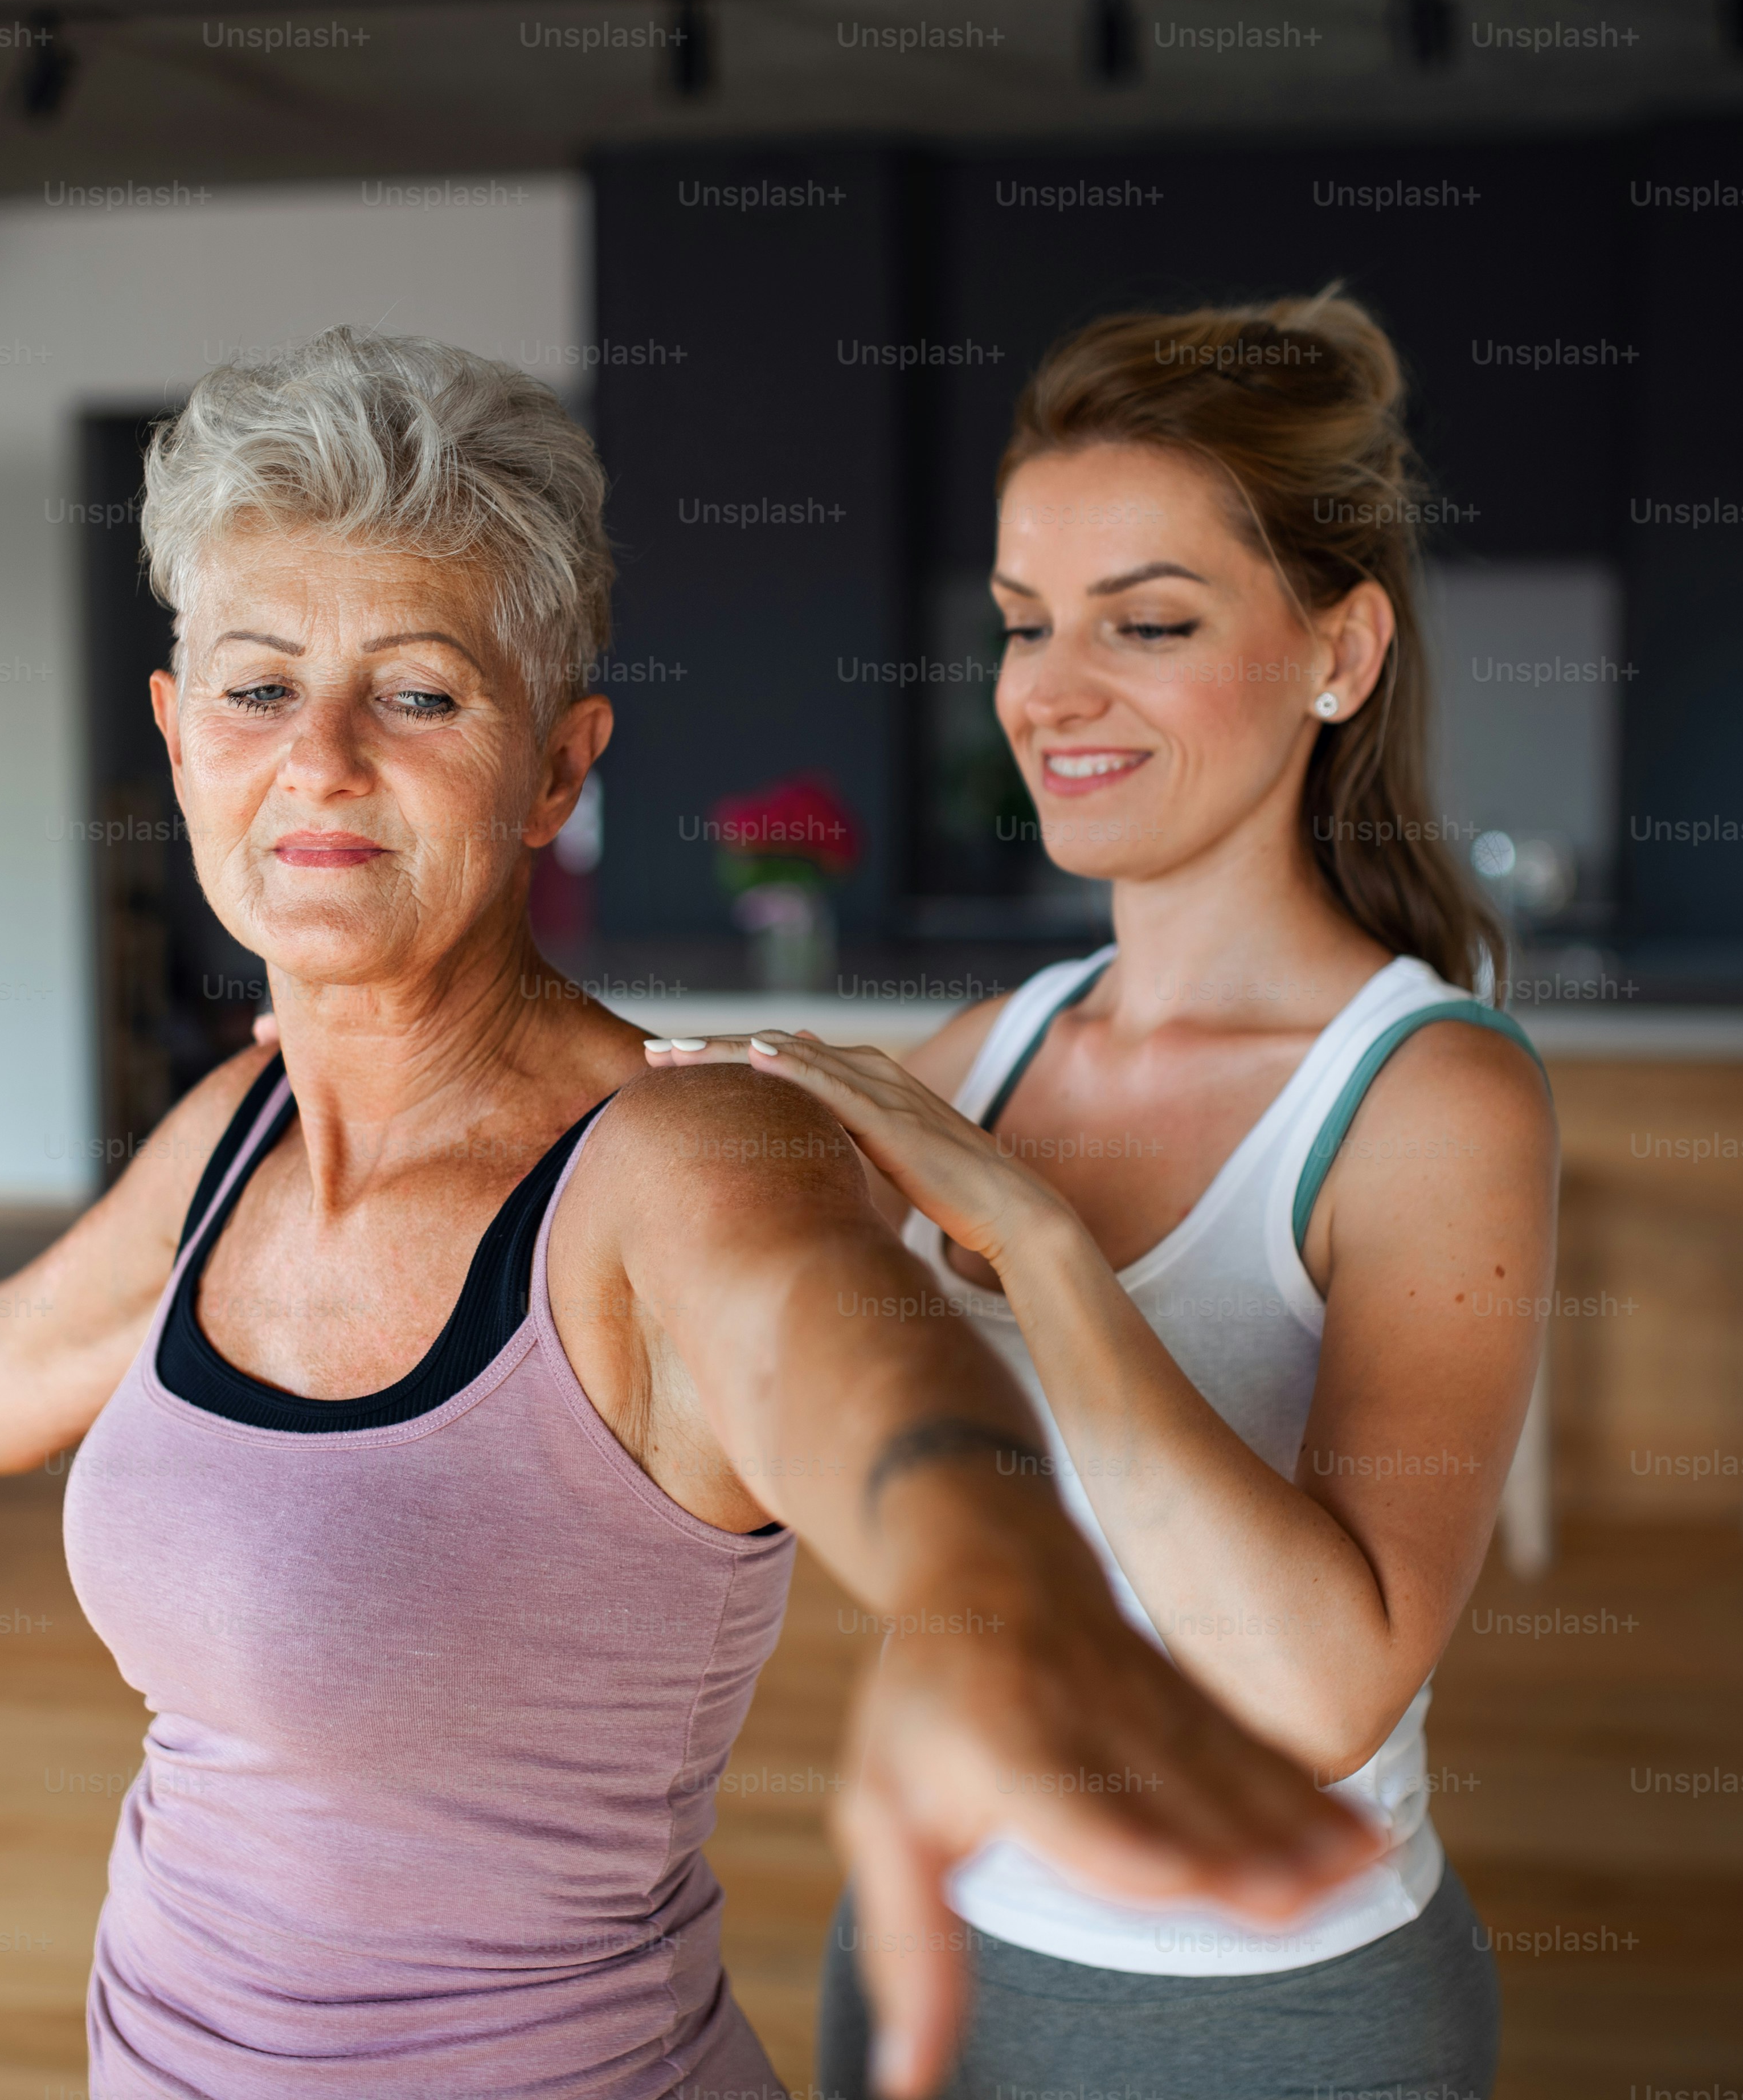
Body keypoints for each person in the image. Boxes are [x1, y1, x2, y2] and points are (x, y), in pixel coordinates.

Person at [0, 328, 1375, 2100]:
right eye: (256, 685)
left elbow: (846, 1361)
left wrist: (993, 1599)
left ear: (556, 768)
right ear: (175, 731)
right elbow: (3, 1357)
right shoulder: (236, 1129)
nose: (321, 760)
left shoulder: (677, 1156)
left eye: (420, 694)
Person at [656, 292, 1557, 2099]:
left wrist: (1042, 1246)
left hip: (1266, 2016)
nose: (1048, 692)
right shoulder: (997, 1043)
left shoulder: (1423, 1095)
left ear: (1338, 650)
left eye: (1145, 623)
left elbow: (1326, 1690)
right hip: (927, 1949)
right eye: (1019, 624)